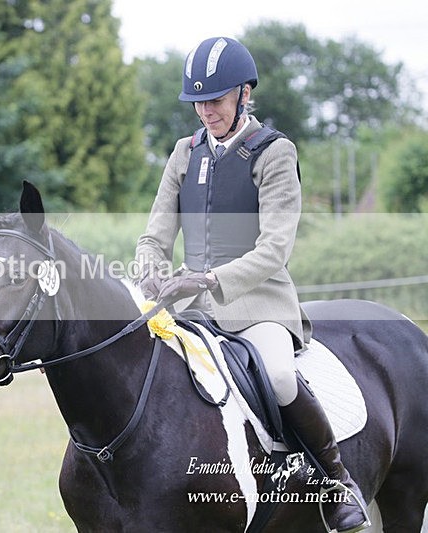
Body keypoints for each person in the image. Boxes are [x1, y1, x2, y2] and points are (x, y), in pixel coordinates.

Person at [135, 36, 370, 533]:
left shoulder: (273, 152)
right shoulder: (184, 153)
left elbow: (274, 248)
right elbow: (155, 232)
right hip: (190, 309)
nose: (205, 111)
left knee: (281, 377)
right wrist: (151, 266)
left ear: (243, 93)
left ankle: (336, 481)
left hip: (258, 305)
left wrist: (211, 278)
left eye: (215, 99)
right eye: (197, 102)